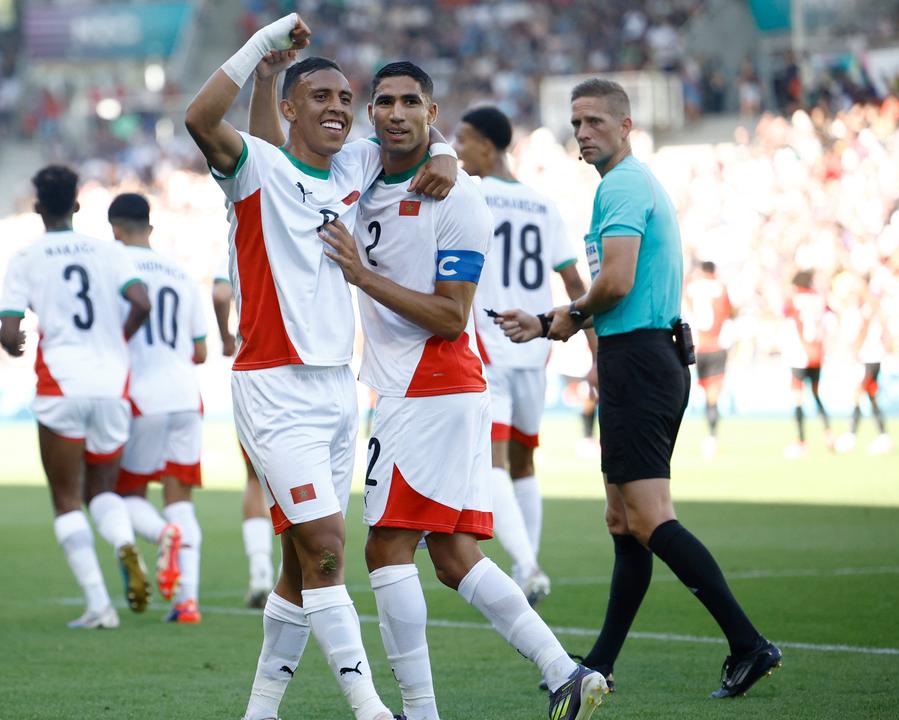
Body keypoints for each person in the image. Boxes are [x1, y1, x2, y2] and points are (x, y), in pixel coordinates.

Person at [294, 61, 609, 720]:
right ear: (371, 113)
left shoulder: (457, 195)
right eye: (385, 102)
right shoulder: (367, 168)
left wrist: (360, 275)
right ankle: (565, 672)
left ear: (431, 112)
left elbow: (449, 314)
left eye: (413, 102)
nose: (398, 112)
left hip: (431, 383)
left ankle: (421, 710)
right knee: (453, 554)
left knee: (386, 548)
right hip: (423, 388)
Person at [184, 14, 458, 720]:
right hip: (273, 386)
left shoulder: (354, 166)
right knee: (329, 551)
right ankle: (370, 708)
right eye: (320, 97)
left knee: (299, 567)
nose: (338, 107)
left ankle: (260, 710)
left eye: (346, 98)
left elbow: (415, 134)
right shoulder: (255, 169)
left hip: (339, 387)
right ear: (287, 109)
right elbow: (198, 116)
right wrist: (262, 51)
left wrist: (448, 154)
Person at [498, 78, 780, 699]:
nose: (582, 132)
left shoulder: (623, 185)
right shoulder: (624, 185)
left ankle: (748, 643)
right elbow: (616, 286)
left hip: (641, 359)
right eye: (576, 123)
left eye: (595, 120)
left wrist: (556, 320)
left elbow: (617, 281)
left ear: (626, 125)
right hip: (642, 356)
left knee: (649, 519)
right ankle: (601, 661)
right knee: (623, 520)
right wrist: (559, 323)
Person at [0, 166, 153, 628]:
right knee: (101, 491)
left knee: (66, 499)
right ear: (78, 206)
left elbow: (9, 329)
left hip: (61, 383)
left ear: (38, 207)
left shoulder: (25, 256)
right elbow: (141, 301)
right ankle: (125, 543)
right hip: (112, 384)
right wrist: (118, 340)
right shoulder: (109, 251)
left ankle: (101, 607)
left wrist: (11, 341)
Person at [456, 104, 594, 605]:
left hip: (491, 344)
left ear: (487, 147)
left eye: (463, 139)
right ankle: (528, 567)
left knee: (491, 462)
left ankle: (529, 566)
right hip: (537, 348)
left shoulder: (472, 194)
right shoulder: (543, 204)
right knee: (523, 462)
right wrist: (595, 354)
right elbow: (576, 285)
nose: (459, 148)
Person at [109, 192, 208, 624]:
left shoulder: (114, 268)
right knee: (179, 497)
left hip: (142, 395)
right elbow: (201, 350)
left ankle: (159, 534)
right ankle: (187, 601)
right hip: (187, 395)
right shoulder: (181, 273)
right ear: (150, 227)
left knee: (122, 494)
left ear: (114, 229)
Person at [212, 245, 276, 608]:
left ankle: (260, 573)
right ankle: (297, 576)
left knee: (255, 478)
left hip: (255, 371)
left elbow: (221, 292)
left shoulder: (241, 240)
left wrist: (225, 336)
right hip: (313, 367)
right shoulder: (312, 225)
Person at [683, 261, 734, 457]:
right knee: (713, 394)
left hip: (698, 345)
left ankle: (707, 436)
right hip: (717, 345)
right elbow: (729, 312)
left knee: (703, 391)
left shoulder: (692, 287)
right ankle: (712, 436)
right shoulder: (720, 287)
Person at [837, 277, 891, 455]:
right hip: (871, 356)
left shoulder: (869, 306)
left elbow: (865, 329)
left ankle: (852, 436)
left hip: (870, 356)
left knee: (859, 393)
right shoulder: (869, 307)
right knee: (870, 395)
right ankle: (882, 436)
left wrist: (856, 349)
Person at [783, 269, 833, 458]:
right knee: (816, 395)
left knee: (797, 398)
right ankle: (828, 434)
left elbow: (785, 315)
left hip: (798, 354)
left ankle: (801, 441)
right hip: (816, 354)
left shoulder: (795, 299)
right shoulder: (819, 299)